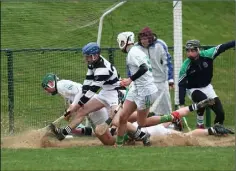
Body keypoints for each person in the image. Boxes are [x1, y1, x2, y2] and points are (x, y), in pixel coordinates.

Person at [116, 31, 182, 146]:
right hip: (136, 89)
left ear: (124, 42)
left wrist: (130, 79)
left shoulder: (133, 53)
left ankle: (171, 117)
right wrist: (131, 81)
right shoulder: (134, 51)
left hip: (146, 92)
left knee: (142, 122)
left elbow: (144, 68)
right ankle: (118, 144)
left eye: (120, 42)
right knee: (122, 116)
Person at [48, 42, 122, 143]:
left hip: (115, 94)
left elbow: (91, 92)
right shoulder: (92, 64)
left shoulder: (103, 69)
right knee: (82, 112)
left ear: (95, 56)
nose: (86, 59)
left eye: (88, 57)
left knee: (116, 122)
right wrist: (74, 107)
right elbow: (85, 88)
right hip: (104, 93)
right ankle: (63, 134)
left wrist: (77, 105)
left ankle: (135, 135)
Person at [41, 73, 115, 145]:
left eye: (46, 88)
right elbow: (73, 105)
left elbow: (80, 91)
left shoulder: (60, 85)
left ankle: (63, 133)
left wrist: (72, 106)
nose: (46, 91)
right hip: (90, 109)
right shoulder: (61, 89)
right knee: (101, 134)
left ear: (51, 83)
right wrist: (68, 114)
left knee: (105, 133)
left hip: (94, 106)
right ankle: (122, 133)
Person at [178, 40, 235, 128]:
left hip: (207, 87)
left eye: (192, 50)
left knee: (220, 113)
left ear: (198, 50)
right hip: (193, 89)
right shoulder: (185, 66)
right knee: (203, 100)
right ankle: (200, 123)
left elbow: (222, 47)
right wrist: (181, 104)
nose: (190, 53)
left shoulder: (208, 54)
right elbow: (181, 85)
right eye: (188, 51)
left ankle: (217, 127)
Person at [136, 27, 174, 116]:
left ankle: (171, 124)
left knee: (165, 107)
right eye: (141, 39)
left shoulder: (160, 45)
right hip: (145, 82)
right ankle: (146, 126)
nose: (143, 41)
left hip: (160, 81)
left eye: (145, 39)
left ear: (150, 38)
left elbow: (167, 62)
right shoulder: (136, 48)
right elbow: (131, 64)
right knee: (144, 107)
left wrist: (170, 79)